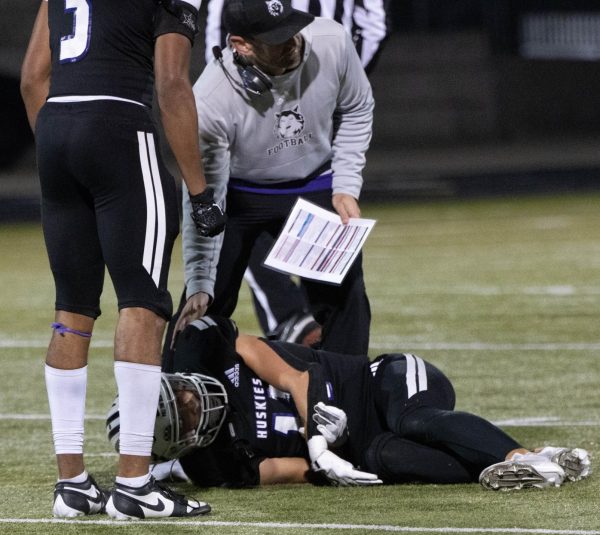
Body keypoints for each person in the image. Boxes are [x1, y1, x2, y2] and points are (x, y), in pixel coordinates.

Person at [20, 0, 225, 520]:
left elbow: (32, 77)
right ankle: (134, 484)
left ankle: (73, 485)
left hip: (56, 130)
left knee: (73, 309)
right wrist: (201, 193)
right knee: (143, 303)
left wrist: (59, 143)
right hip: (118, 126)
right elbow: (172, 84)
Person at [112, 317, 591, 489]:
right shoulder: (209, 467)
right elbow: (286, 471)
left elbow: (294, 377)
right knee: (392, 460)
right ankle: (531, 469)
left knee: (414, 419)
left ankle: (522, 454)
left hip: (380, 380)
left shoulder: (201, 349)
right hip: (359, 443)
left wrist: (316, 439)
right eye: (188, 412)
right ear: (182, 441)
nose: (194, 398)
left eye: (181, 393)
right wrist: (324, 466)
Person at [172, 0, 374, 356]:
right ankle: (182, 390)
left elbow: (358, 107)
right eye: (276, 40)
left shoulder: (331, 41)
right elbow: (204, 199)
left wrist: (345, 185)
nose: (292, 43)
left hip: (314, 183)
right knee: (204, 306)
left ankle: (345, 393)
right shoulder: (210, 100)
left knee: (346, 298)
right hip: (240, 193)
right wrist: (199, 279)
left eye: (291, 30)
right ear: (241, 45)